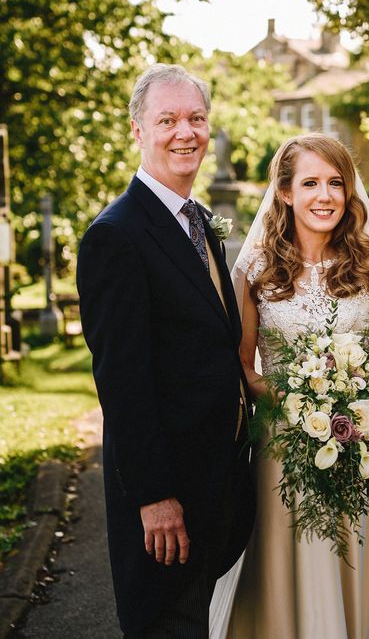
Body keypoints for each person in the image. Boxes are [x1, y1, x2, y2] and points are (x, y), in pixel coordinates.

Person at [209, 133, 369, 638]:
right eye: (310, 183)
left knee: (344, 566)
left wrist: (363, 400)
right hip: (280, 452)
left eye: (335, 183)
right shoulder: (257, 268)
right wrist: (288, 396)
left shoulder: (367, 264)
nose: (324, 195)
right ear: (285, 193)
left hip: (352, 452)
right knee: (280, 575)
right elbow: (242, 364)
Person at [77, 64, 255, 637]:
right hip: (167, 498)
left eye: (196, 119)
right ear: (137, 130)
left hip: (217, 481)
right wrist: (154, 496)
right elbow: (122, 382)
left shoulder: (198, 221)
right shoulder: (117, 235)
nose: (186, 132)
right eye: (168, 120)